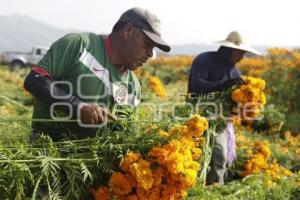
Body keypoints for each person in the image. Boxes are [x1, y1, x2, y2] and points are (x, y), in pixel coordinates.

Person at [24, 7, 170, 142]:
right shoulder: (80, 46)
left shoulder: (133, 88)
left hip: (92, 166)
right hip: (47, 155)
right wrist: (77, 107)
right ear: (128, 30)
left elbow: (125, 136)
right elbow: (34, 80)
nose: (151, 54)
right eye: (147, 44)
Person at [187, 31, 260, 185]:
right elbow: (197, 85)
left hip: (219, 121)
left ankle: (215, 190)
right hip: (197, 118)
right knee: (197, 159)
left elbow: (234, 100)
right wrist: (223, 84)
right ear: (229, 50)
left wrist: (247, 102)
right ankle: (195, 191)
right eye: (240, 53)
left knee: (220, 158)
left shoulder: (234, 71)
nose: (242, 58)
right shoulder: (204, 60)